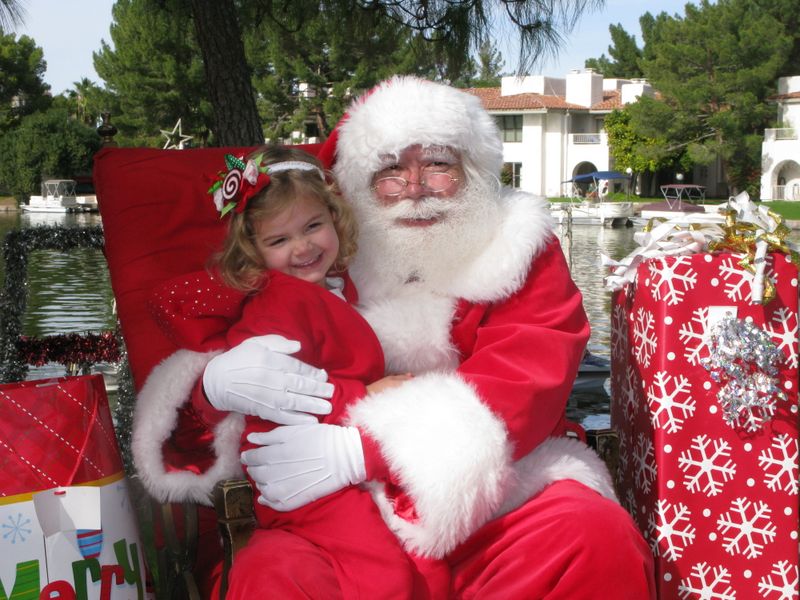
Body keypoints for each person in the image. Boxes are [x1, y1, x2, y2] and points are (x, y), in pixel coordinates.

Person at [134, 76, 655, 598]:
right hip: (338, 510)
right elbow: (228, 345)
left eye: (437, 164)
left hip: (494, 495)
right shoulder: (318, 252)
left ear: (471, 168)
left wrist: (365, 447)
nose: (415, 187)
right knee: (271, 573)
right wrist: (215, 384)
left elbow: (526, 382)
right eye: (390, 170)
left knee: (591, 534)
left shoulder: (517, 249)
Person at [145, 146, 420, 597]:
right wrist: (364, 396)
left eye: (313, 226)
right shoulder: (280, 302)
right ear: (252, 251)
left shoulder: (336, 287)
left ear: (336, 218)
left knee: (406, 559)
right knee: (382, 572)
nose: (303, 247)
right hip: (299, 475)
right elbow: (280, 391)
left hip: (333, 468)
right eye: (279, 240)